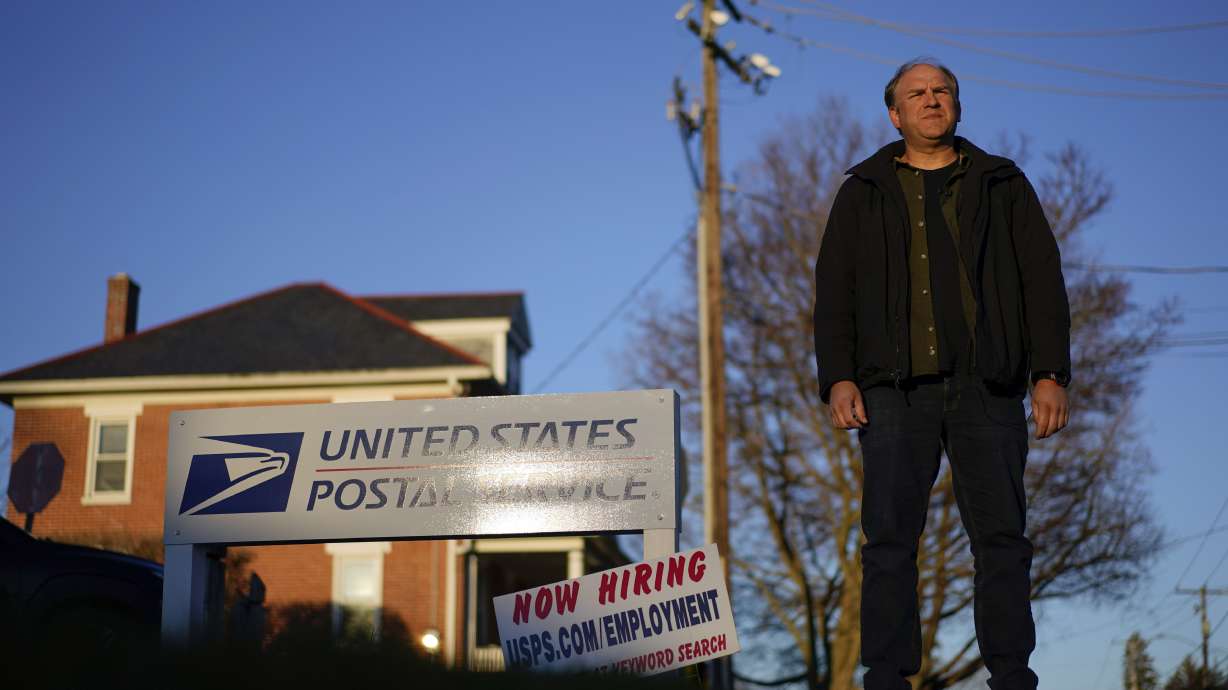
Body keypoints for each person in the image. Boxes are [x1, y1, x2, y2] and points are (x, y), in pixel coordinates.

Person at [812, 58, 1071, 690]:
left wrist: (1050, 374)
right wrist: (837, 376)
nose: (932, 101)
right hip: (893, 394)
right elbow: (833, 291)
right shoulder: (863, 190)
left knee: (1002, 540)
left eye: (942, 92)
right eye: (917, 94)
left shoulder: (1002, 184)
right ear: (894, 114)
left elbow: (1042, 280)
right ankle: (887, 676)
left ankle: (1011, 674)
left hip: (989, 388)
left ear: (957, 105)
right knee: (889, 543)